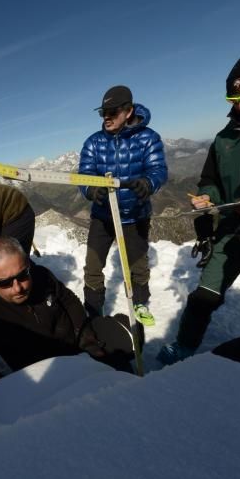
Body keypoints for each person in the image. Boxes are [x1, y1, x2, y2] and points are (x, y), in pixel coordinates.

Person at [158, 51, 240, 366]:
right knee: (203, 297)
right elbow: (210, 179)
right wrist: (206, 197)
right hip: (231, 230)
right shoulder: (223, 139)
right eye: (234, 99)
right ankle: (184, 347)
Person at [0, 237, 140, 386]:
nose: (17, 288)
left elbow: (68, 300)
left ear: (28, 265)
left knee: (130, 331)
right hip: (51, 376)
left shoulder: (41, 276)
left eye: (23, 275)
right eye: (5, 282)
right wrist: (23, 389)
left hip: (79, 345)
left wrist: (84, 333)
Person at [79, 85, 168, 326]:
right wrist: (90, 190)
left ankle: (140, 303)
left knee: (138, 264)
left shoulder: (148, 138)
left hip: (135, 215)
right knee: (93, 267)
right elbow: (83, 174)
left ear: (128, 111)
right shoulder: (93, 143)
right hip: (102, 216)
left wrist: (148, 183)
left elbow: (158, 169)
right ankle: (93, 313)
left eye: (112, 112)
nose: (106, 117)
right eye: (103, 113)